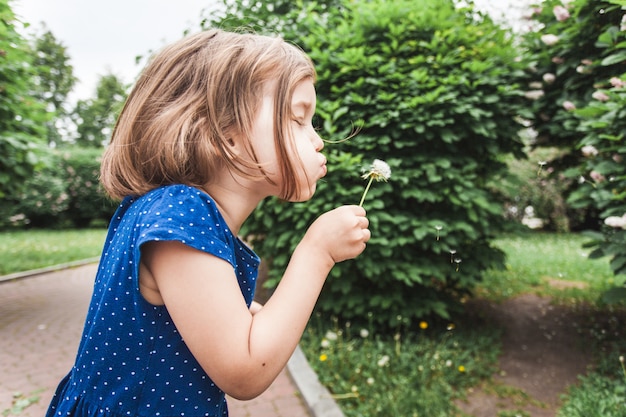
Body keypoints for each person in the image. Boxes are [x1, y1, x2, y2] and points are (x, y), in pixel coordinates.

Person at [45, 29, 370, 417]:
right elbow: (246, 371)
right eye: (298, 120)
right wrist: (316, 253)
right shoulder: (181, 213)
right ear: (226, 135)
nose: (317, 140)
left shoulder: (170, 212)